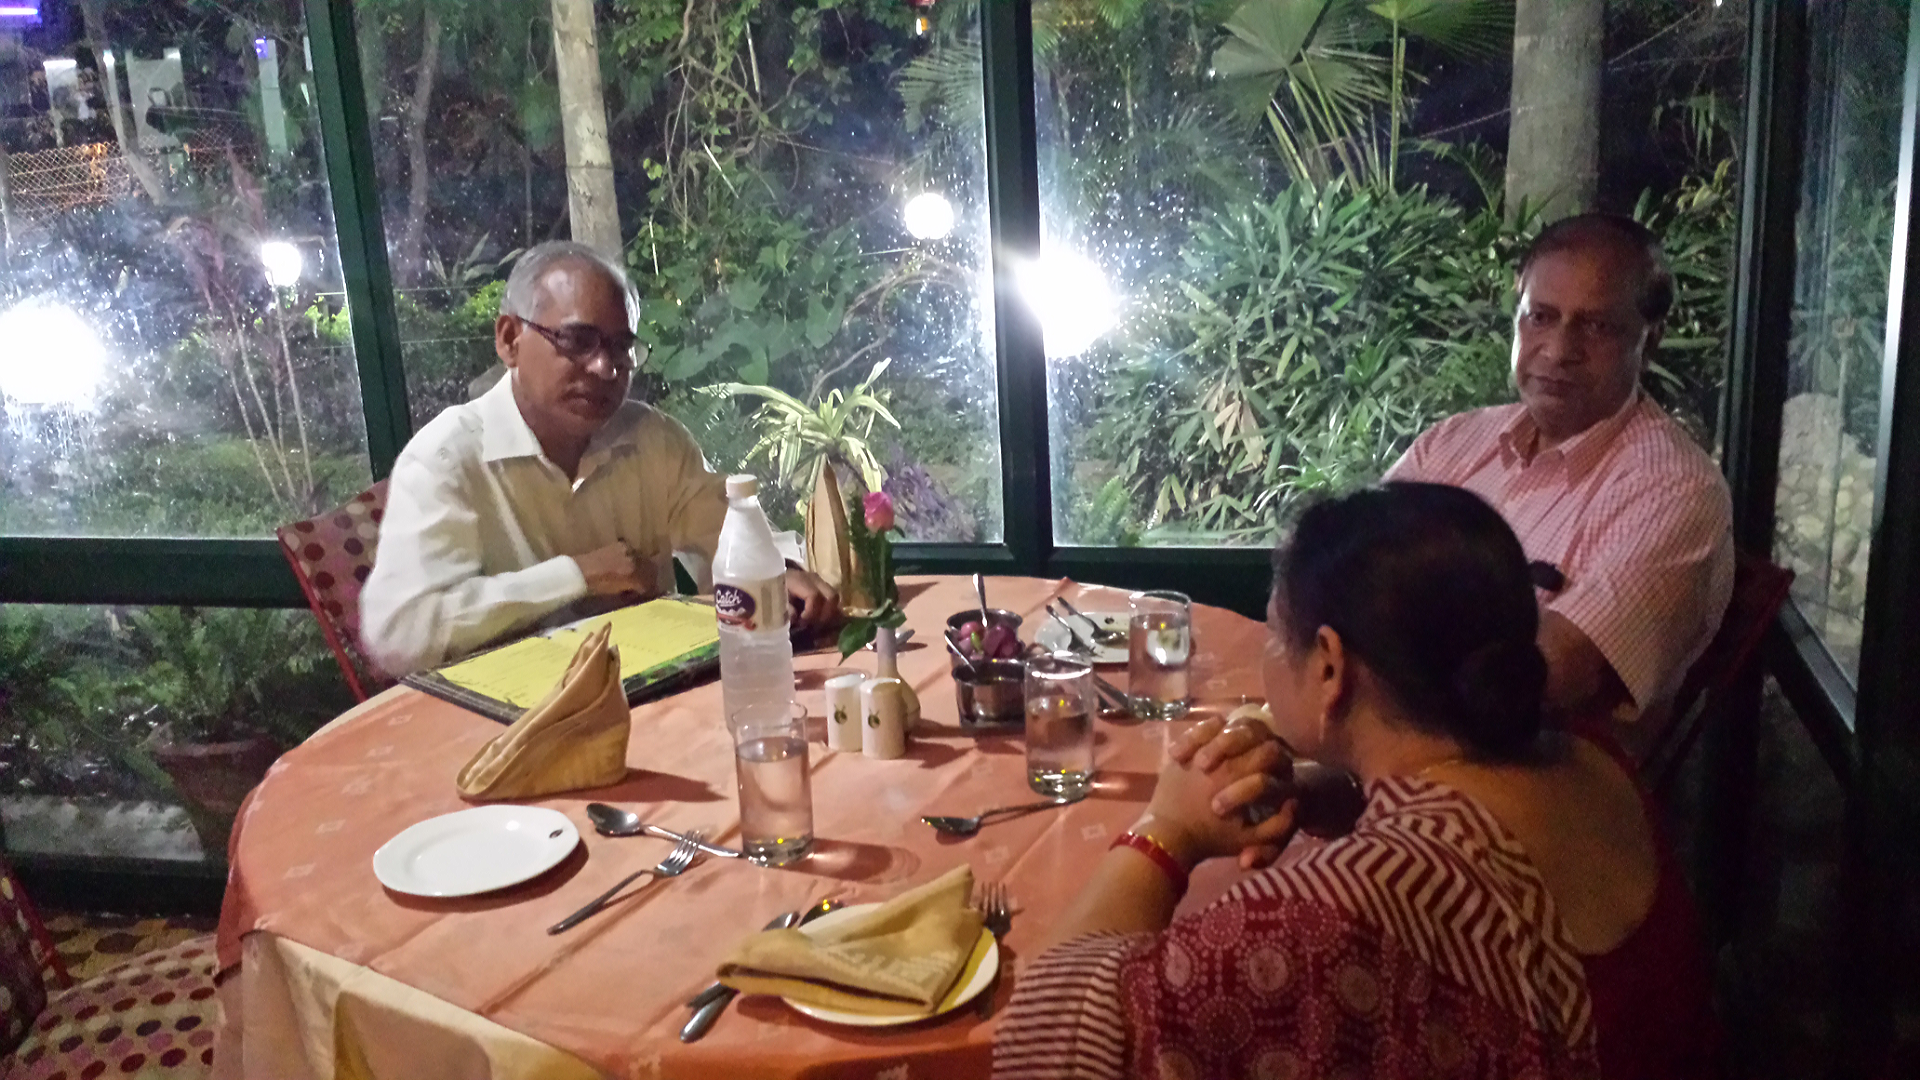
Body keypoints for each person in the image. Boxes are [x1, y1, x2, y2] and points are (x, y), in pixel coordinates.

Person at [993, 483, 1717, 1080]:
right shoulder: (1589, 754)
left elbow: (1050, 1036)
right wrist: (1321, 794)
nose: (1269, 651)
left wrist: (1165, 834)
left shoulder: (1342, 913)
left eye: (1275, 632)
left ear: (1330, 666)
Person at [361, 241, 838, 675]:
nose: (604, 367)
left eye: (621, 347)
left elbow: (729, 532)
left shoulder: (653, 440)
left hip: (652, 695)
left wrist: (781, 574)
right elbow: (397, 634)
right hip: (505, 720)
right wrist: (575, 576)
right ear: (509, 339)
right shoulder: (447, 458)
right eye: (577, 341)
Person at [1386, 214, 1733, 738]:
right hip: (1387, 734)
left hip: (1514, 770)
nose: (1559, 350)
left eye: (1597, 327)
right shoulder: (1455, 442)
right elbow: (1342, 576)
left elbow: (1542, 678)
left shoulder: (1676, 492)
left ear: (1650, 341)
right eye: (1541, 317)